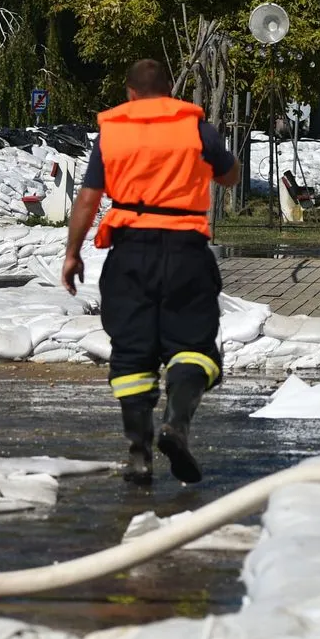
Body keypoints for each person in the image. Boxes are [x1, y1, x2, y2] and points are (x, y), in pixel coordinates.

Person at [61, 59, 241, 485]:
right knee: (193, 345)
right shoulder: (193, 127)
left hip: (130, 253)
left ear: (129, 93)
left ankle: (139, 454)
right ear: (169, 90)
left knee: (132, 352)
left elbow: (88, 197)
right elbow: (230, 176)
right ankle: (176, 425)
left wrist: (72, 252)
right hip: (185, 251)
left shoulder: (113, 131)